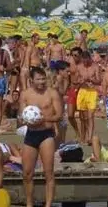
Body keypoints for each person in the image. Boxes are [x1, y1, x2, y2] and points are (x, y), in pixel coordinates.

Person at [19, 67, 63, 207]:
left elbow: (58, 115)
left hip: (46, 134)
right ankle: (29, 203)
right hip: (31, 134)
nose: (42, 82)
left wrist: (43, 119)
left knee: (48, 172)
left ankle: (48, 204)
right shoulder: (25, 94)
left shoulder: (52, 93)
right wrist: (26, 120)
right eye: (38, 79)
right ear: (31, 80)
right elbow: (21, 117)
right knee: (27, 173)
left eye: (43, 78)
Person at [76, 51, 101, 144]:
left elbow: (99, 80)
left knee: (90, 117)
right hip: (82, 91)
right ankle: (83, 136)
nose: (85, 63)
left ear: (89, 59)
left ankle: (89, 137)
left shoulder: (95, 66)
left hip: (92, 92)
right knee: (83, 117)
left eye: (87, 61)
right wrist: (81, 81)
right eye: (84, 61)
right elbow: (75, 80)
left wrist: (92, 80)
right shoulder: (79, 67)